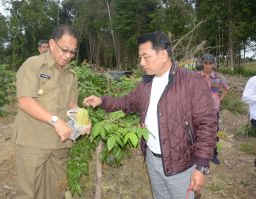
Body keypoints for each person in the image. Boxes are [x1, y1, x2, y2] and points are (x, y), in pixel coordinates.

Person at [83, 31, 217, 199]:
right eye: (140, 57)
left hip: (180, 165)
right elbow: (126, 103)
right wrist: (102, 101)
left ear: (163, 54)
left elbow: (207, 125)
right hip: (152, 160)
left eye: (146, 57)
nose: (141, 63)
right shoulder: (146, 83)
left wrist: (202, 166)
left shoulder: (192, 82)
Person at [13, 25, 83, 199]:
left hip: (59, 143)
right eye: (64, 50)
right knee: (29, 192)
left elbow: (72, 104)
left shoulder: (71, 74)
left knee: (57, 190)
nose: (68, 56)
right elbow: (24, 100)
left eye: (72, 52)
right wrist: (55, 120)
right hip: (33, 142)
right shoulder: (34, 65)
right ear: (52, 43)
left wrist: (82, 119)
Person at [199, 54, 230, 165]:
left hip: (213, 109)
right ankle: (199, 154)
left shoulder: (218, 77)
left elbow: (226, 88)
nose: (208, 65)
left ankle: (214, 154)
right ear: (202, 63)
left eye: (210, 63)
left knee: (214, 132)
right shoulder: (196, 76)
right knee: (199, 131)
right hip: (199, 109)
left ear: (214, 64)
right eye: (206, 63)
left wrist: (220, 100)